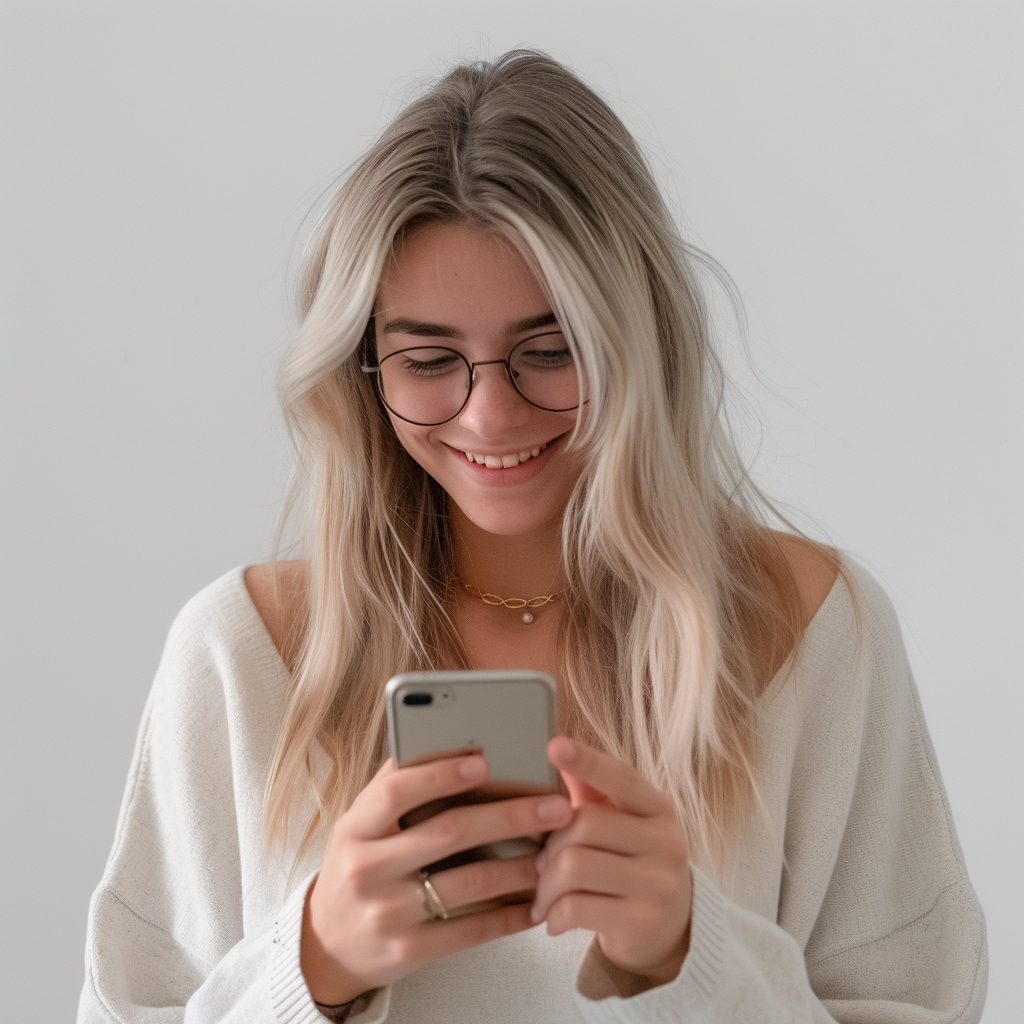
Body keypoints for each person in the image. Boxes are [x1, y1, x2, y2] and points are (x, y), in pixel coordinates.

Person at [77, 50, 987, 1024]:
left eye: (550, 352)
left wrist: (691, 959)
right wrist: (313, 965)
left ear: (637, 338)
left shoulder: (810, 629)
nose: (490, 417)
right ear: (361, 369)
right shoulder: (242, 654)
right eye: (428, 360)